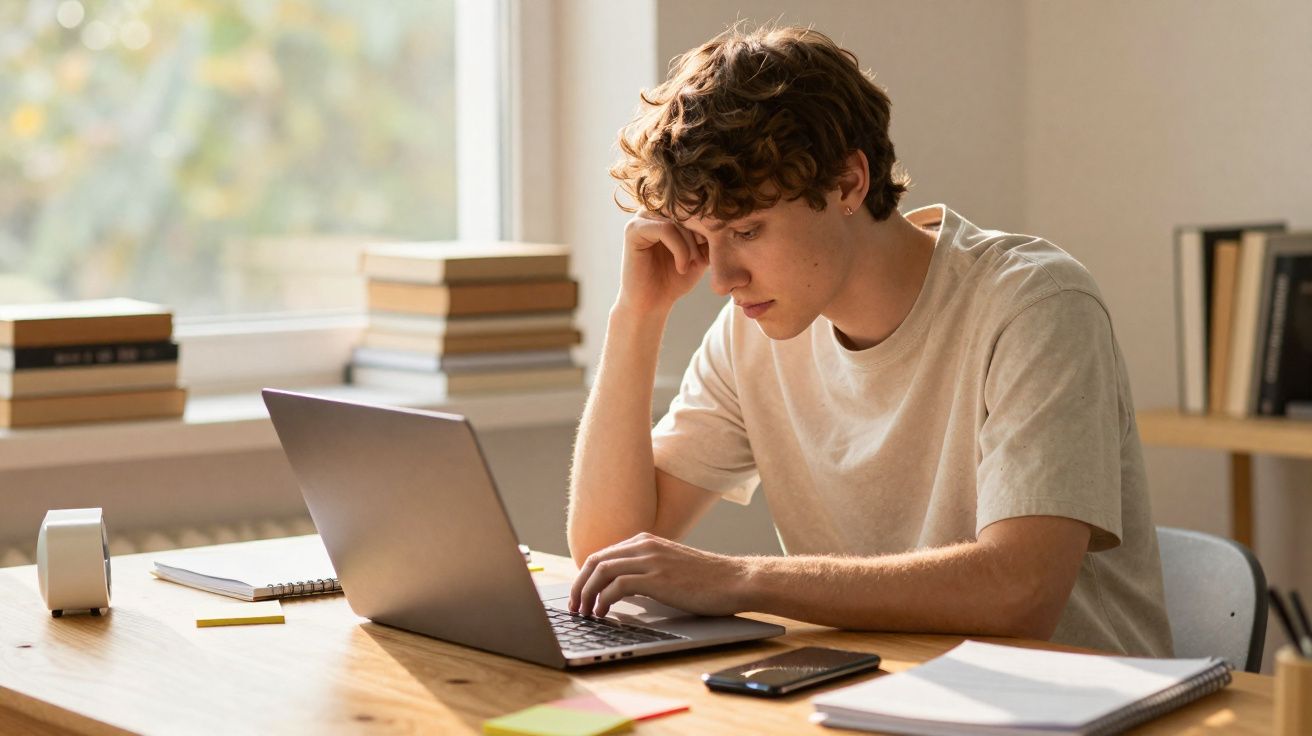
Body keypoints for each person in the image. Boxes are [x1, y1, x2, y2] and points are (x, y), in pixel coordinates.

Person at [565, 23, 1172, 657]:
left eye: (746, 231)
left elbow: (1020, 593)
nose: (720, 279)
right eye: (701, 237)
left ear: (849, 184)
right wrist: (636, 315)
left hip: (1075, 705)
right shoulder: (753, 331)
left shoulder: (1035, 304)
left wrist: (739, 579)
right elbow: (610, 555)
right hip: (873, 693)